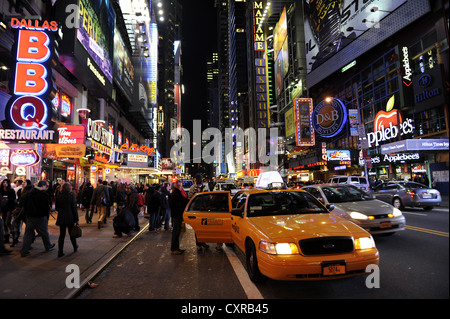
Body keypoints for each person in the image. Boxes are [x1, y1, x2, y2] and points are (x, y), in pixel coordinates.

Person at [20, 180, 55, 257]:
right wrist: (46, 215)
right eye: (46, 186)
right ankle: (48, 246)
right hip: (40, 216)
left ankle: (24, 250)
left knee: (28, 234)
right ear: (43, 186)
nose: (46, 188)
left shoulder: (29, 193)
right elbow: (46, 207)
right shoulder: (43, 194)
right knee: (44, 232)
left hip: (30, 216)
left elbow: (23, 203)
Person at [55, 183, 79, 257]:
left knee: (62, 235)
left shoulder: (59, 196)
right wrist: (76, 218)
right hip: (70, 217)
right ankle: (75, 246)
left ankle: (60, 251)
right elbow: (74, 208)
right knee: (71, 233)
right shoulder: (71, 196)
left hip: (61, 217)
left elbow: (56, 208)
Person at [169, 180, 189, 255]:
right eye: (180, 186)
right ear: (177, 186)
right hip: (177, 215)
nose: (181, 187)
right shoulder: (176, 194)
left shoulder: (176, 193)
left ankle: (176, 248)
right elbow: (181, 203)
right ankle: (174, 249)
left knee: (177, 233)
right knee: (176, 232)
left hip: (177, 215)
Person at [1, 179, 17, 244]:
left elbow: (13, 200)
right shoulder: (1, 191)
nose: (5, 184)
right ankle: (6, 237)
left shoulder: (11, 191)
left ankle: (14, 235)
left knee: (7, 222)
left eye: (6, 182)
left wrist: (13, 209)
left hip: (10, 208)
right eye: (4, 182)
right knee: (4, 223)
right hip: (3, 208)